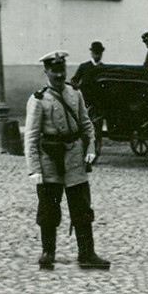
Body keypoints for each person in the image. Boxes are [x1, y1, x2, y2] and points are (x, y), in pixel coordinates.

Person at [24, 50, 109, 271]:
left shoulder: (75, 94)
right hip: (50, 158)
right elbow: (31, 137)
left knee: (82, 207)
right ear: (46, 72)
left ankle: (87, 253)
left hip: (74, 157)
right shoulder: (38, 99)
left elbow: (86, 124)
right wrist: (34, 168)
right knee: (49, 208)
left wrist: (90, 148)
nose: (59, 75)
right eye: (54, 71)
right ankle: (48, 252)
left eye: (62, 70)